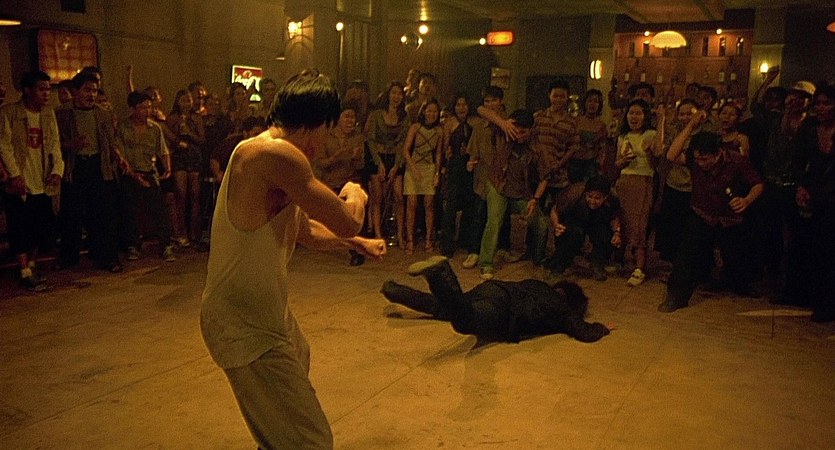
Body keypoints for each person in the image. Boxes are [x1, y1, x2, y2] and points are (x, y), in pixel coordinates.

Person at [200, 70, 386, 449]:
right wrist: (356, 193)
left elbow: (306, 232)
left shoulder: (271, 158)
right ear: (316, 123)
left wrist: (355, 244)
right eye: (327, 130)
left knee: (298, 361)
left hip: (266, 317)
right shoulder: (273, 153)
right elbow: (348, 218)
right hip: (243, 324)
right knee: (311, 441)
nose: (324, 142)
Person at [381, 256, 611, 343]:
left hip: (491, 289)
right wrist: (603, 328)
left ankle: (393, 289)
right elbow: (583, 332)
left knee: (442, 308)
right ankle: (440, 273)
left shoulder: (538, 285)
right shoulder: (562, 307)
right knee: (465, 321)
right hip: (502, 307)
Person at [658, 129, 764, 313]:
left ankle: (739, 284)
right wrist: (691, 125)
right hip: (702, 213)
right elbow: (671, 155)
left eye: (705, 159)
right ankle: (677, 296)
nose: (700, 163)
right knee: (687, 255)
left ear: (718, 152)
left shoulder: (736, 160)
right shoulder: (694, 161)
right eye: (697, 159)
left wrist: (746, 200)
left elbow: (758, 184)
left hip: (729, 217)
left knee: (736, 255)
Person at [55, 71, 129, 273]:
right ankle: (69, 257)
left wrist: (119, 158)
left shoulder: (102, 113)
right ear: (75, 91)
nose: (92, 95)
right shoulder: (62, 113)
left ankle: (106, 257)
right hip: (74, 166)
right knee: (71, 214)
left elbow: (110, 142)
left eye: (95, 91)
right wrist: (72, 144)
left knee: (103, 214)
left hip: (98, 166)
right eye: (87, 90)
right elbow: (54, 143)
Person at [0, 71, 64, 290]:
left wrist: (57, 169)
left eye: (48, 89)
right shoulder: (9, 113)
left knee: (40, 226)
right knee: (20, 226)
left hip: (42, 178)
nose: (46, 94)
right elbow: (4, 145)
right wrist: (15, 175)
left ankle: (33, 264)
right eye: (41, 89)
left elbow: (54, 143)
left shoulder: (47, 113)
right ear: (27, 90)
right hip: (20, 178)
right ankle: (24, 270)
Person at [778, 85, 835, 322]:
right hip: (810, 193)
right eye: (818, 103)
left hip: (831, 197)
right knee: (802, 245)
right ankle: (798, 293)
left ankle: (826, 304)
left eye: (826, 103)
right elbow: (797, 161)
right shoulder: (810, 129)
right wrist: (801, 187)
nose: (821, 108)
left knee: (828, 250)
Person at [476, 109, 549, 280]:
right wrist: (503, 123)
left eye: (523, 132)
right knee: (494, 221)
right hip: (498, 184)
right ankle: (486, 263)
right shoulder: (504, 133)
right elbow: (481, 110)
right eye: (516, 131)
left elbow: (544, 177)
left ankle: (538, 260)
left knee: (541, 225)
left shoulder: (538, 148)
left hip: (522, 192)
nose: (518, 136)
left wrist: (535, 199)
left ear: (530, 130)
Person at [116, 91, 176, 262]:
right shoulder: (123, 128)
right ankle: (133, 246)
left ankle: (165, 245)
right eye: (142, 107)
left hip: (149, 172)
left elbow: (163, 150)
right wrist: (132, 174)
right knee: (130, 211)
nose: (147, 111)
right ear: (133, 108)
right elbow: (119, 154)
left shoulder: (155, 128)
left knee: (159, 210)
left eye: (149, 107)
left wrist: (167, 168)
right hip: (129, 174)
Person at [614, 99, 664, 286]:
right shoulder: (623, 136)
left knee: (640, 225)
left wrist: (661, 120)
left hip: (643, 181)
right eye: (631, 113)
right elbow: (617, 163)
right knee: (622, 221)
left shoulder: (650, 134)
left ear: (645, 117)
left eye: (638, 113)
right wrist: (624, 160)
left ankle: (640, 268)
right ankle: (620, 259)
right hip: (624, 181)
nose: (633, 117)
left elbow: (657, 157)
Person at [312, 105, 370, 266]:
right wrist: (335, 157)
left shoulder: (358, 138)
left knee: (354, 217)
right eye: (346, 116)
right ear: (338, 118)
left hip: (350, 181)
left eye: (353, 117)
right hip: (331, 182)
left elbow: (360, 165)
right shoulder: (327, 137)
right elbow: (320, 163)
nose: (350, 120)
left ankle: (357, 251)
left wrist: (355, 158)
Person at [547, 175, 622, 282]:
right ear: (586, 193)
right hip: (574, 219)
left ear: (605, 197)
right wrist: (556, 225)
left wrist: (616, 233)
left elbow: (614, 217)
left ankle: (597, 263)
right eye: (590, 196)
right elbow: (555, 210)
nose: (592, 201)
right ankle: (558, 267)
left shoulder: (613, 199)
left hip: (597, 221)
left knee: (604, 235)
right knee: (572, 235)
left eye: (597, 198)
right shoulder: (573, 194)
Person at [364, 81, 409, 246]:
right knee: (378, 197)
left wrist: (396, 166)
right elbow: (370, 140)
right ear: (388, 94)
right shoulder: (376, 115)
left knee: (398, 196)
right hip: (377, 157)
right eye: (393, 93)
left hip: (395, 158)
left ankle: (400, 235)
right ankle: (377, 234)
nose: (396, 97)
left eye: (399, 94)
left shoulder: (404, 117)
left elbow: (403, 143)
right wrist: (379, 163)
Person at [438, 93, 477, 258]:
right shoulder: (450, 123)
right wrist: (443, 165)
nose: (461, 108)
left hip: (469, 166)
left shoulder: (473, 122)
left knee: (469, 204)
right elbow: (444, 146)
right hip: (454, 166)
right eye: (458, 104)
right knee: (451, 206)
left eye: (464, 104)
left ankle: (464, 239)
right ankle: (447, 244)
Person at [402, 98, 442, 253]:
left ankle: (428, 240)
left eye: (435, 111)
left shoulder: (439, 131)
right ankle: (410, 240)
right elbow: (406, 150)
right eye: (429, 110)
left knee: (429, 204)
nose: (432, 114)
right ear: (424, 111)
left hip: (429, 167)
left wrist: (437, 172)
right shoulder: (415, 128)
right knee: (411, 203)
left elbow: (438, 153)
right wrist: (413, 168)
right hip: (413, 166)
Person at [166, 89, 205, 247]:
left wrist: (189, 132)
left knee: (195, 194)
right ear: (177, 102)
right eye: (183, 100)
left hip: (194, 155)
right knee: (181, 194)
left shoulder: (197, 118)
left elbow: (202, 139)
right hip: (179, 156)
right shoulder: (172, 118)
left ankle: (194, 232)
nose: (186, 104)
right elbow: (168, 138)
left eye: (188, 100)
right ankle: (180, 232)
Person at [571, 89, 607, 183]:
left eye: (596, 101)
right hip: (574, 162)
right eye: (590, 101)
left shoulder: (601, 125)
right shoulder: (576, 121)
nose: (592, 104)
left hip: (591, 163)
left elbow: (602, 147)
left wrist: (600, 163)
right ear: (585, 103)